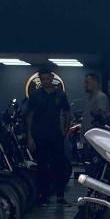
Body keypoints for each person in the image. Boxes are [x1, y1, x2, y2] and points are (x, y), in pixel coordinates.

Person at [25, 62, 70, 204]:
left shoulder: (61, 95)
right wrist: (29, 137)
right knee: (42, 167)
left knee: (59, 166)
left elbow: (67, 115)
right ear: (40, 80)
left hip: (56, 136)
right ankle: (43, 196)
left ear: (52, 78)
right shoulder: (35, 96)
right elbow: (29, 118)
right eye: (43, 79)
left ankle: (60, 196)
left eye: (47, 78)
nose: (45, 81)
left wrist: (65, 131)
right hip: (39, 136)